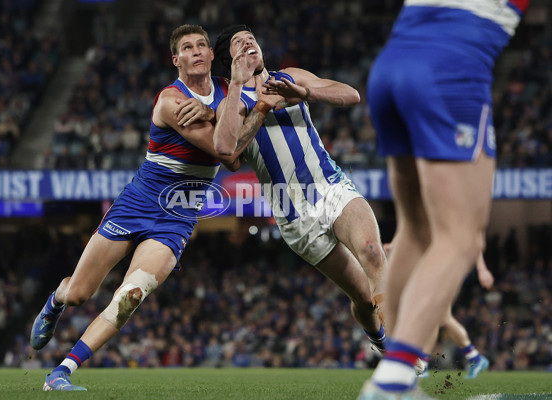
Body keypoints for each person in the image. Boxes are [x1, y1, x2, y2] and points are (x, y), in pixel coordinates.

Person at [28, 24, 278, 391]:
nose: (196, 51)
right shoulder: (169, 101)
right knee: (80, 293)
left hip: (177, 216)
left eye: (202, 46)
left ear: (211, 55)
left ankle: (62, 371)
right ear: (175, 60)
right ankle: (56, 300)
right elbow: (226, 150)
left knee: (132, 294)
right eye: (187, 48)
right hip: (137, 203)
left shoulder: (228, 91)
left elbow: (234, 158)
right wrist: (228, 115)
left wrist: (216, 113)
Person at [360, 1, 529, 398]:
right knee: (461, 239)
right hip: (448, 70)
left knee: (415, 231)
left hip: (388, 69)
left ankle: (395, 372)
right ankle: (395, 380)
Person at [211, 25, 388, 355]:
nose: (249, 42)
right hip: (295, 216)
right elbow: (227, 153)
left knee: (373, 252)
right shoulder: (230, 104)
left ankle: (402, 349)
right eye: (239, 43)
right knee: (363, 298)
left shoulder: (288, 76)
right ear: (230, 60)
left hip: (331, 187)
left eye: (251, 37)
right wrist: (256, 101)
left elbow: (351, 95)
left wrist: (304, 94)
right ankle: (379, 339)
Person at [383, 244, 493, 379]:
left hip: (449, 265)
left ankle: (473, 359)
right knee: (438, 316)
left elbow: (473, 238)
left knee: (441, 316)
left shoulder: (454, 225)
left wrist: (482, 269)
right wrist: (395, 244)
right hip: (437, 265)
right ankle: (473, 359)